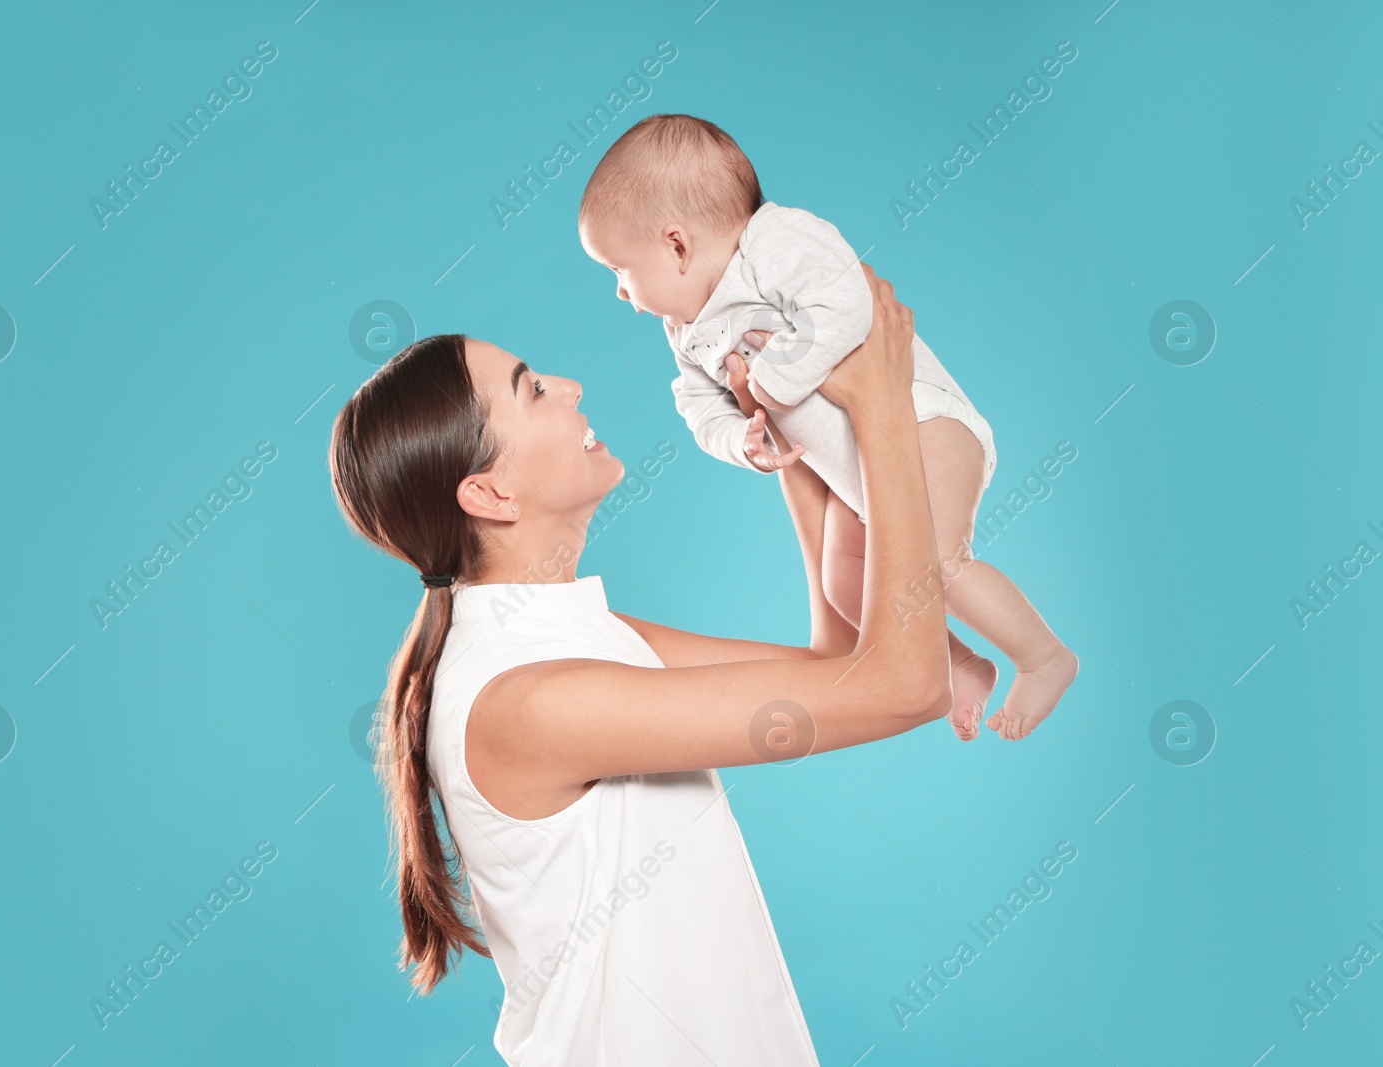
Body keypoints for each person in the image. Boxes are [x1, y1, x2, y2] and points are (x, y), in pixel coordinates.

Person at [329, 267, 949, 1065]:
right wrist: (882, 408)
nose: (571, 385)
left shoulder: (573, 639)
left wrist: (791, 448)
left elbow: (843, 671)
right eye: (532, 391)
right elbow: (906, 685)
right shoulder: (528, 698)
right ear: (489, 494)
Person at [577, 113, 1078, 742]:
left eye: (619, 271)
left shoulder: (777, 242)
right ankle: (958, 663)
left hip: (924, 421)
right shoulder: (687, 328)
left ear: (676, 245)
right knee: (845, 585)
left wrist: (771, 384)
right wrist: (741, 440)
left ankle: (1043, 656)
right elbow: (698, 404)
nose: (621, 294)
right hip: (856, 470)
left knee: (937, 562)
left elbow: (845, 306)